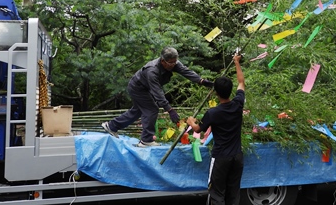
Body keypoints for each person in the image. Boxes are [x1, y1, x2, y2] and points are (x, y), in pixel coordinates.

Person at [102, 47, 213, 147]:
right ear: (162, 61)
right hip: (138, 88)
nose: (173, 65)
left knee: (137, 111)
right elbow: (158, 93)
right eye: (170, 63)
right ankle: (146, 140)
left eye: (175, 62)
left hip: (145, 88)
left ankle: (111, 126)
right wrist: (169, 110)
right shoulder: (152, 71)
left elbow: (186, 71)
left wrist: (201, 81)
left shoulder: (173, 63)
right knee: (151, 109)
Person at [187, 54, 245, 205]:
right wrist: (236, 62)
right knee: (233, 191)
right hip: (237, 156)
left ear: (215, 93)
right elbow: (241, 81)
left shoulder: (213, 113)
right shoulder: (238, 104)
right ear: (230, 90)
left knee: (217, 192)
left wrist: (190, 121)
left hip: (221, 158)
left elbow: (198, 130)